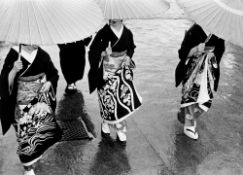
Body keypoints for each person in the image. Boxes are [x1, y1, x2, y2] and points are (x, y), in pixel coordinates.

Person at [0, 44, 62, 175]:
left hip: (39, 100)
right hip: (21, 101)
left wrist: (49, 83)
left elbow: (53, 74)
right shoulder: (14, 54)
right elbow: (4, 78)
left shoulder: (42, 54)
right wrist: (13, 71)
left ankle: (34, 156)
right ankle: (28, 167)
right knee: (25, 135)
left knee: (40, 132)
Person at [88, 19, 142, 145]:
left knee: (121, 99)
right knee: (110, 99)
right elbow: (93, 51)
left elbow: (131, 48)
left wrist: (128, 56)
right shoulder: (103, 32)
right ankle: (109, 124)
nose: (114, 17)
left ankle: (115, 127)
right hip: (108, 68)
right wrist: (102, 53)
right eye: (111, 15)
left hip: (122, 67)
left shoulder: (127, 32)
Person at [175, 23, 225, 140]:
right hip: (191, 71)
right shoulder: (195, 30)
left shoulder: (220, 33)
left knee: (206, 101)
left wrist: (211, 54)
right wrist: (197, 49)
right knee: (191, 98)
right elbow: (182, 53)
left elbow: (220, 53)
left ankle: (185, 116)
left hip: (208, 72)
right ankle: (189, 125)